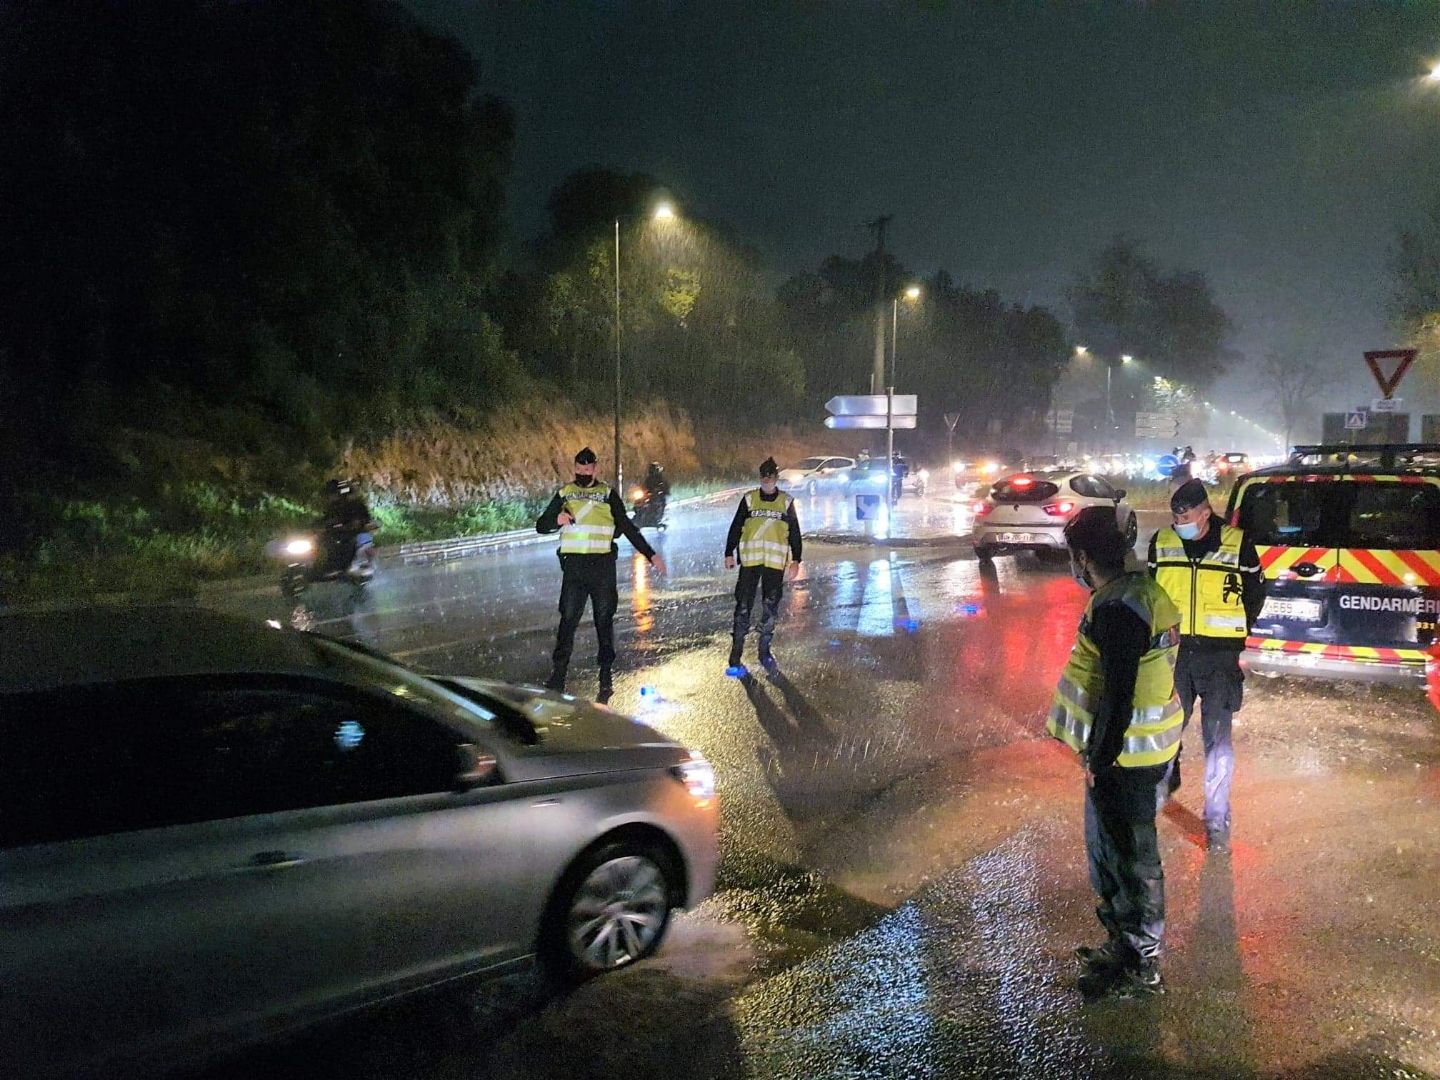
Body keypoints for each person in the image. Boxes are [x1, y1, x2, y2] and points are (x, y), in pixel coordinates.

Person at [1049, 506, 1184, 999]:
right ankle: (1123, 944)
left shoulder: (1117, 607)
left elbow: (1119, 692)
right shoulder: (1145, 593)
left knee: (1131, 859)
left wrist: (1099, 760)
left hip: (1126, 760)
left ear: (1083, 557)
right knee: (1113, 856)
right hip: (1144, 751)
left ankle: (1142, 961)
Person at [1147, 477, 1265, 852]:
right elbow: (1151, 594)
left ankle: (1216, 821)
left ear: (1206, 513)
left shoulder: (1237, 543)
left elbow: (1255, 597)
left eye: (1188, 515)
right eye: (1176, 515)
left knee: (1217, 743)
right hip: (1174, 658)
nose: (1180, 521)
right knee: (1164, 732)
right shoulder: (1162, 543)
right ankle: (1160, 790)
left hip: (1218, 660)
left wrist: (1232, 635)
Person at [536, 447, 666, 695]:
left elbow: (627, 527)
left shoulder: (607, 495)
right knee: (568, 621)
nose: (584, 472)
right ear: (575, 468)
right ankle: (558, 675)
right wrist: (557, 521)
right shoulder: (565, 494)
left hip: (602, 569)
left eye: (588, 468)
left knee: (604, 622)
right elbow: (541, 526)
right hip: (574, 569)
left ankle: (605, 676)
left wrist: (650, 554)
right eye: (580, 468)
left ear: (595, 469)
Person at [724, 457, 802, 675]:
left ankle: (764, 651)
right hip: (750, 563)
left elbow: (795, 533)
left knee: (770, 607)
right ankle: (736, 652)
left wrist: (796, 559)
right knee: (743, 607)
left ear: (776, 478)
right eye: (764, 477)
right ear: (760, 478)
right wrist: (728, 552)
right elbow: (736, 526)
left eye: (771, 477)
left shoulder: (786, 502)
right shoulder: (749, 500)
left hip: (774, 566)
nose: (767, 480)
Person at [321, 478, 376, 571]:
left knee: (356, 542)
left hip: (353, 534)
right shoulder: (332, 508)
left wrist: (353, 525)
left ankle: (353, 564)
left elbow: (362, 520)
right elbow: (325, 520)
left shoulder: (356, 505)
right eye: (330, 494)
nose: (330, 497)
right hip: (337, 534)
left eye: (332, 493)